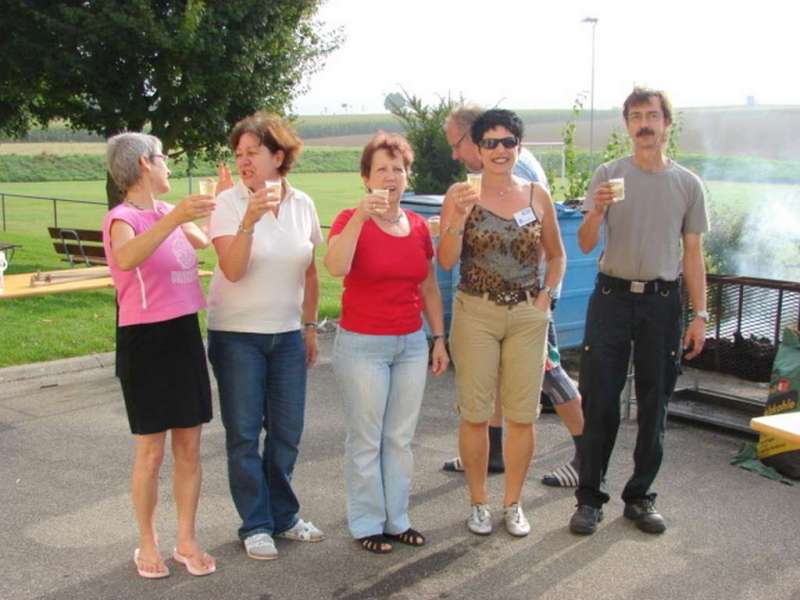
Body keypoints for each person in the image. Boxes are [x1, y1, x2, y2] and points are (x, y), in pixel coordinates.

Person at [569, 87, 709, 536]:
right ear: (626, 124)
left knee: (655, 404)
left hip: (662, 304)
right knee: (601, 400)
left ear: (667, 123)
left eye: (652, 115)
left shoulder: (687, 184)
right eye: (635, 116)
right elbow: (587, 243)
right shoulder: (608, 175)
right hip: (611, 298)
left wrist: (700, 315)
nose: (644, 123)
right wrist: (597, 212)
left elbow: (693, 254)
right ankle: (590, 498)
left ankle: (640, 496)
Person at [443, 104, 584, 487]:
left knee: (549, 374)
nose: (456, 153)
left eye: (457, 144)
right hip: (498, 302)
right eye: (491, 143)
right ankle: (490, 453)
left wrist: (542, 300)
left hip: (528, 298)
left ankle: (587, 455)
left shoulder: (513, 173)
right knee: (493, 387)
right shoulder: (474, 185)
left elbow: (538, 244)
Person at [206, 112, 325, 560]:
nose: (244, 161)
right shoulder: (229, 203)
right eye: (238, 154)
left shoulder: (303, 204)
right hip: (237, 336)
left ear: (278, 155)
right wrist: (249, 220)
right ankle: (255, 523)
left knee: (287, 432)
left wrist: (310, 326)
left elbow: (310, 271)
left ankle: (284, 516)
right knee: (242, 434)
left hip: (287, 335)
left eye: (253, 152)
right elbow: (233, 271)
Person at [325, 132, 449, 554]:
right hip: (363, 345)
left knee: (399, 437)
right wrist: (360, 217)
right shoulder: (347, 219)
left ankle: (398, 519)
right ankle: (366, 523)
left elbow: (429, 286)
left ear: (407, 176)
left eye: (398, 169)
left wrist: (438, 338)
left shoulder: (415, 226)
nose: (391, 176)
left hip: (410, 343)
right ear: (366, 178)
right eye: (382, 169)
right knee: (366, 437)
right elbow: (336, 267)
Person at [102, 132, 216, 578]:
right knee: (151, 452)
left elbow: (203, 242)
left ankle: (186, 540)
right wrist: (170, 220)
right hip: (145, 342)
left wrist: (219, 203)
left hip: (184, 335)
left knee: (189, 447)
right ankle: (146, 542)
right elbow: (126, 257)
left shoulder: (169, 212)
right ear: (146, 164)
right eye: (165, 159)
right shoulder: (121, 218)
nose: (169, 166)